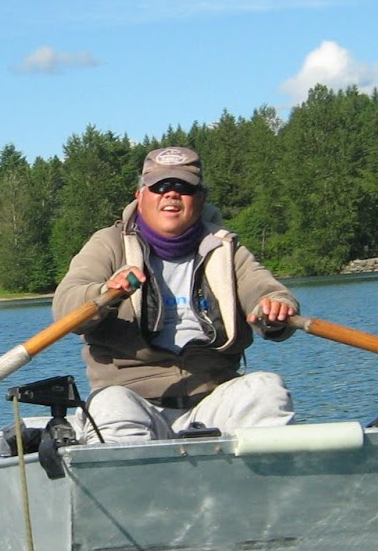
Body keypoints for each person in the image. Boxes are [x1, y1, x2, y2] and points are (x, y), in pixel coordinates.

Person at [52, 145, 299, 443]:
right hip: (133, 401)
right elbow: (66, 310)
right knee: (109, 405)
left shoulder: (226, 249)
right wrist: (107, 292)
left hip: (213, 398)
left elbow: (264, 289)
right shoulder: (107, 244)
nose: (171, 194)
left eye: (183, 187)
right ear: (140, 195)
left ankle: (261, 486)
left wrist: (274, 309)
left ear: (201, 198)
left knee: (266, 389)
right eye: (160, 186)